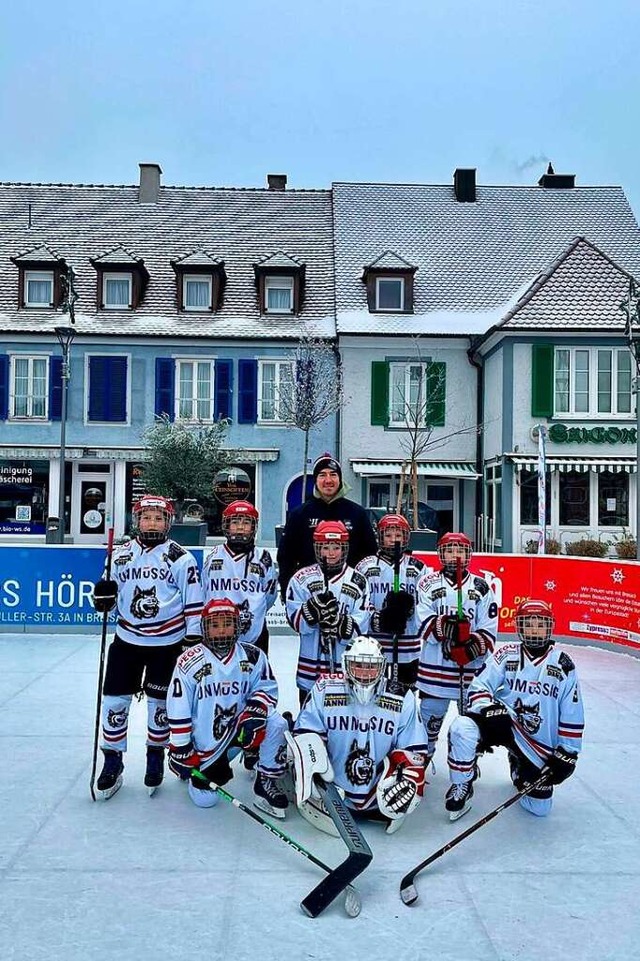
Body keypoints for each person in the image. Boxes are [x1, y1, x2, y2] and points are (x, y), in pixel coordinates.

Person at [91, 495, 203, 799]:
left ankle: (155, 757)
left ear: (167, 522)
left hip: (166, 643)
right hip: (126, 640)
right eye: (146, 517)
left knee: (160, 706)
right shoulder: (120, 554)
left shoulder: (181, 558)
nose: (151, 523)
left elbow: (194, 603)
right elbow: (107, 594)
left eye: (158, 518)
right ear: (136, 520)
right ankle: (112, 760)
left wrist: (191, 640)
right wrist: (102, 597)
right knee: (115, 701)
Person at [445, 599, 584, 820]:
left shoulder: (563, 665)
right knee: (462, 727)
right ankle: (462, 782)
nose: (534, 630)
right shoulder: (506, 654)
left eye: (540, 624)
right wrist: (488, 709)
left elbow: (572, 714)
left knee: (539, 809)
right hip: (504, 721)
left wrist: (568, 753)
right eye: (528, 624)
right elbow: (478, 687)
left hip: (536, 742)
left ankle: (518, 766)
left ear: (550, 627)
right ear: (519, 627)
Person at [290, 636, 429, 834]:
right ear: (346, 665)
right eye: (358, 665)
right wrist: (312, 768)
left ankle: (374, 805)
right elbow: (306, 733)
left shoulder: (401, 696)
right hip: (333, 790)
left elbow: (413, 748)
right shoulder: (325, 689)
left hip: (379, 792)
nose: (365, 673)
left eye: (371, 667)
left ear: (382, 668)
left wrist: (407, 773)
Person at [166, 597, 290, 818]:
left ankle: (266, 780)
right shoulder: (189, 661)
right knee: (207, 800)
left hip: (241, 728)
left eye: (227, 624)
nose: (222, 631)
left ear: (237, 626)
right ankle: (199, 769)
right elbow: (178, 706)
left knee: (277, 723)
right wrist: (181, 748)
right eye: (215, 625)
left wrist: (255, 714)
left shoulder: (252, 655)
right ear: (205, 628)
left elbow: (266, 687)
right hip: (206, 743)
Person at [415, 532, 498, 763]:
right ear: (441, 554)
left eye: (460, 550)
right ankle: (420, 765)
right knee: (428, 727)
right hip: (435, 672)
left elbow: (489, 628)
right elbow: (422, 623)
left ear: (469, 554)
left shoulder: (481, 587)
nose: (455, 555)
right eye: (450, 551)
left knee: (469, 730)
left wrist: (473, 645)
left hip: (470, 674)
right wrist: (446, 628)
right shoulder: (427, 583)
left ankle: (465, 769)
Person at [285, 520, 368, 705]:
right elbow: (294, 620)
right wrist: (311, 611)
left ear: (344, 548)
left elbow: (362, 621)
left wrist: (341, 623)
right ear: (317, 548)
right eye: (325, 547)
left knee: (342, 719)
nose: (330, 553)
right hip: (311, 665)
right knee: (309, 717)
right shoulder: (301, 578)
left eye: (336, 547)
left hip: (345, 664)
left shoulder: (358, 580)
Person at [277, 453, 377, 599]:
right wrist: (288, 592)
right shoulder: (299, 514)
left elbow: (369, 556)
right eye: (322, 475)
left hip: (348, 594)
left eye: (333, 475)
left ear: (340, 479)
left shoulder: (357, 514)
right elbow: (286, 557)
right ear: (316, 480)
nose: (328, 480)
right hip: (308, 592)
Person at [356, 513, 426, 690]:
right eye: (388, 535)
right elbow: (359, 602)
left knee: (404, 697)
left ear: (406, 537)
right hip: (374, 645)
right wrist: (379, 618)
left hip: (408, 647)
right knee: (373, 693)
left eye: (398, 535)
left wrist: (409, 610)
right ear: (380, 537)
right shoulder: (366, 565)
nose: (393, 540)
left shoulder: (417, 567)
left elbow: (425, 603)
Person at [202, 500, 278, 656]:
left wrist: (254, 611)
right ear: (226, 526)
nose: (241, 527)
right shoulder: (214, 556)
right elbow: (205, 592)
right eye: (235, 522)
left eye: (246, 522)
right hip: (218, 630)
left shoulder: (263, 558)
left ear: (254, 526)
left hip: (255, 631)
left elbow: (270, 596)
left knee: (256, 676)